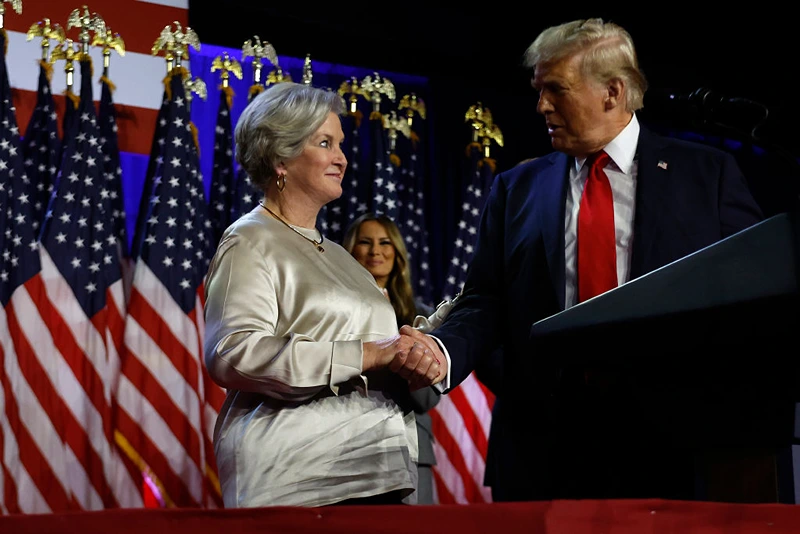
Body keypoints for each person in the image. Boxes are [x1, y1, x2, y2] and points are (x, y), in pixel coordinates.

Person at [426, 18, 764, 502]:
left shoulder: (707, 176)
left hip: (673, 443)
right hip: (543, 446)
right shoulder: (516, 188)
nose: (541, 105)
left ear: (612, 92)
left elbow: (748, 298)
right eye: (538, 90)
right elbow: (486, 299)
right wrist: (445, 351)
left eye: (556, 89)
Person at [202, 82, 445, 508]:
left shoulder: (339, 256)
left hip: (379, 474)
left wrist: (414, 350)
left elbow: (376, 349)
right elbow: (231, 352)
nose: (342, 158)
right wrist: (367, 354)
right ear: (281, 157)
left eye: (341, 144)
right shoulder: (249, 240)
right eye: (325, 143)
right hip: (299, 480)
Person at [342, 212, 440, 505]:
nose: (375, 251)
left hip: (411, 449)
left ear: (397, 253)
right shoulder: (332, 313)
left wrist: (395, 347)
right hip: (348, 447)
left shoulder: (420, 316)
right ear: (350, 251)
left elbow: (428, 400)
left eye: (385, 242)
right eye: (365, 242)